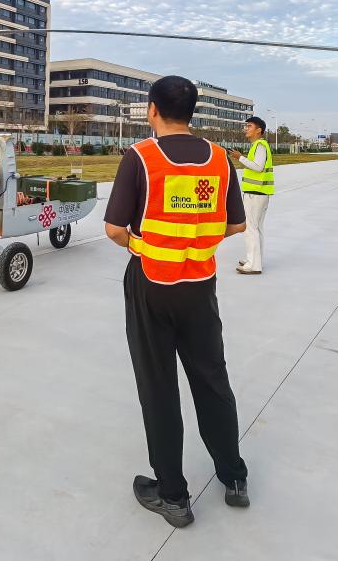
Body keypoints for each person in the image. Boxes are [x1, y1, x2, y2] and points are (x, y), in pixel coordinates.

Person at [104, 75, 250, 527]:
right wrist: (194, 240)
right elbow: (235, 226)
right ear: (193, 112)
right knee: (212, 379)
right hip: (200, 285)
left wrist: (149, 246)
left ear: (152, 109)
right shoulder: (221, 159)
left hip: (151, 284)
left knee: (159, 386)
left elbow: (114, 229)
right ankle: (234, 477)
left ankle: (172, 495)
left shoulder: (141, 157)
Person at [228, 116, 274, 274]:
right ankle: (256, 260)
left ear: (258, 130)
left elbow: (258, 167)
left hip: (255, 193)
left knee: (250, 228)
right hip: (260, 193)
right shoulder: (258, 145)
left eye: (249, 126)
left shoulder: (260, 145)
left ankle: (253, 265)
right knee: (257, 228)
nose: (246, 129)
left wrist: (239, 157)